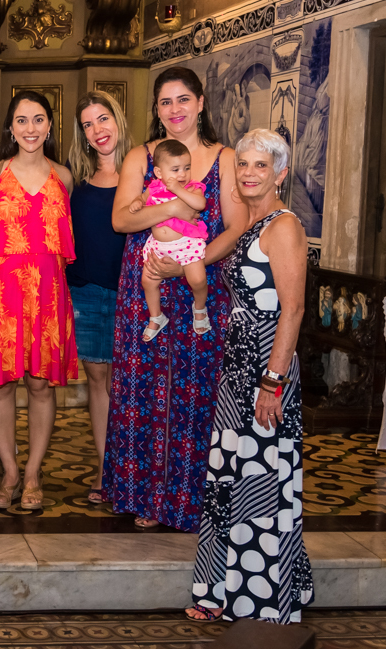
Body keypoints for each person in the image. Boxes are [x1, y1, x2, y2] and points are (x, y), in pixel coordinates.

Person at [104, 67, 248, 532]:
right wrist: (170, 207)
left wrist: (193, 259)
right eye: (165, 102)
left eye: (183, 99)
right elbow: (122, 222)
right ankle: (144, 497)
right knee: (144, 387)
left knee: (194, 389)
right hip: (145, 285)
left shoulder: (225, 158)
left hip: (199, 283)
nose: (175, 110)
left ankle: (193, 498)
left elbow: (238, 225)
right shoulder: (140, 157)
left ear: (201, 103)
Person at [187, 130, 313, 623]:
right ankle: (221, 589)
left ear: (280, 173)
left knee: (258, 481)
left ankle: (259, 598)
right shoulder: (254, 220)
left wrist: (272, 381)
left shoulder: (284, 227)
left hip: (265, 365)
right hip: (237, 365)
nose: (248, 173)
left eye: (261, 166)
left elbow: (294, 309)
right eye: (243, 164)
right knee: (227, 477)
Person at [0, 90, 76, 511]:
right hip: (0, 293)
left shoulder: (63, 177)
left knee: (41, 386)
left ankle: (33, 474)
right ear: (11, 127)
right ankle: (9, 472)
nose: (30, 128)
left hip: (47, 294)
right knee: (0, 385)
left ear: (49, 125)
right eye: (22, 120)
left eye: (38, 119)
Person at [66, 91, 131, 505]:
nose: (98, 130)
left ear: (118, 120)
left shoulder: (144, 173)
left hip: (132, 294)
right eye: (89, 124)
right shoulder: (77, 180)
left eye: (103, 119)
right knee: (97, 381)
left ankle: (135, 466)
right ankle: (107, 466)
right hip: (85, 292)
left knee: (132, 382)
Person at [130, 139, 211, 341]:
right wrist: (137, 202)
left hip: (186, 243)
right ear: (159, 173)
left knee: (198, 280)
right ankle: (157, 316)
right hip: (159, 246)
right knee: (147, 281)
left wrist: (178, 190)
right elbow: (142, 198)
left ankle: (200, 308)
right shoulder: (154, 188)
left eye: (186, 168)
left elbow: (200, 204)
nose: (182, 174)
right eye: (175, 169)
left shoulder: (193, 188)